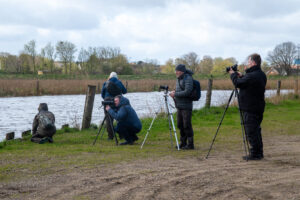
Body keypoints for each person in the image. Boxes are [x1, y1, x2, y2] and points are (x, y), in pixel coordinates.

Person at [229, 53, 267, 160]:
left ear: (253, 63)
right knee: (256, 130)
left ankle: (255, 154)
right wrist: (242, 76)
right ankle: (259, 152)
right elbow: (247, 82)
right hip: (257, 106)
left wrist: (232, 74)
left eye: (249, 62)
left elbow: (238, 83)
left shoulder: (253, 75)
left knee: (251, 131)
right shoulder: (261, 74)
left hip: (251, 107)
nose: (248, 64)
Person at [169, 64, 195, 150]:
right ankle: (183, 143)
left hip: (186, 106)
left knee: (186, 125)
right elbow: (180, 90)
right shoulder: (178, 79)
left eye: (177, 71)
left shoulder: (188, 78)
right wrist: (174, 92)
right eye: (175, 71)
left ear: (182, 71)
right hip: (179, 105)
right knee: (180, 125)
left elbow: (187, 92)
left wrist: (175, 94)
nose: (176, 72)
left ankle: (190, 145)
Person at [101, 72, 127, 139]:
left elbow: (102, 95)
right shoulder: (119, 82)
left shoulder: (105, 83)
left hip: (107, 101)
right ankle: (121, 135)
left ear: (109, 76)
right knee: (120, 118)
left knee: (108, 119)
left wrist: (107, 98)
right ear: (116, 77)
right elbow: (125, 91)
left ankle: (110, 136)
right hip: (118, 102)